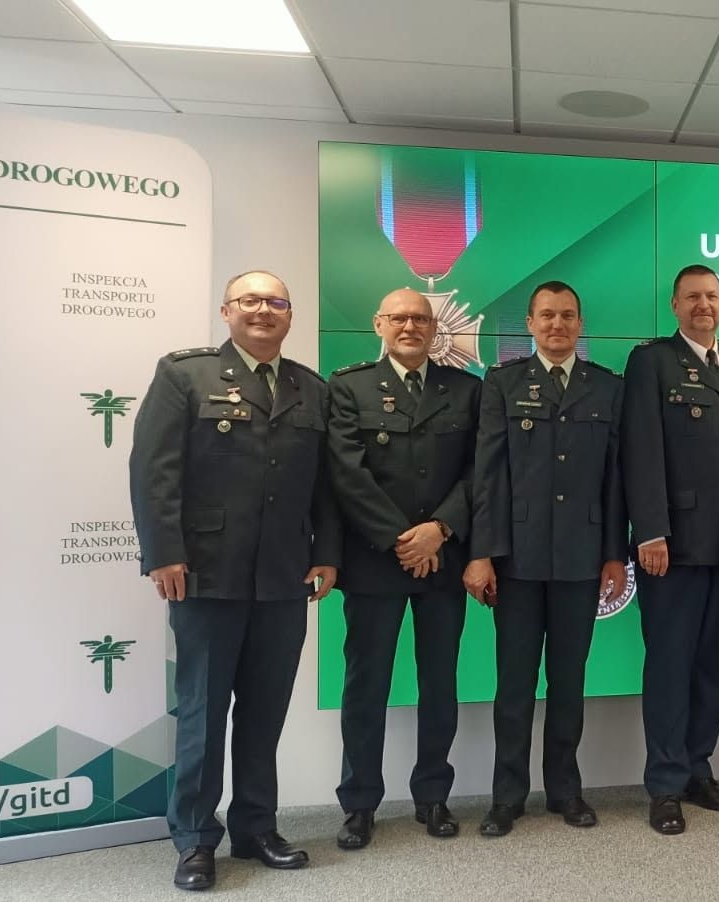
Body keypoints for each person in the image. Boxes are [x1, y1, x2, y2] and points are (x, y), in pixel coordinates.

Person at [128, 270, 340, 891]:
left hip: (283, 574)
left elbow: (326, 484)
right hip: (205, 571)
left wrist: (327, 554)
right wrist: (164, 553)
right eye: (250, 300)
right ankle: (195, 839)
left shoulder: (310, 388)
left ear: (290, 315)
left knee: (264, 711)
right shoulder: (184, 375)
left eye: (276, 302)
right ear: (227, 310)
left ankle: (255, 828)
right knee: (203, 709)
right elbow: (153, 470)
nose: (263, 310)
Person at [465, 280, 627, 836]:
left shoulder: (606, 386)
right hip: (517, 559)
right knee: (514, 685)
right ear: (530, 324)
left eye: (568, 316)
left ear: (580, 325)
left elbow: (615, 479)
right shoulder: (502, 383)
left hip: (582, 558)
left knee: (568, 682)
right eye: (547, 315)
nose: (558, 325)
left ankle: (565, 791)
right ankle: (506, 797)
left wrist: (615, 554)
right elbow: (487, 475)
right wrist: (482, 553)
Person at [326, 287, 481, 850]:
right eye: (399, 318)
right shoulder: (349, 387)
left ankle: (433, 796)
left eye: (420, 318)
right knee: (366, 686)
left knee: (439, 682)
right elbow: (347, 472)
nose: (410, 326)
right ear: (379, 324)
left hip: (443, 557)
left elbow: (480, 469)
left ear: (434, 327)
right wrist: (402, 539)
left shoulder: (466, 390)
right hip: (376, 561)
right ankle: (359, 803)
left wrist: (440, 528)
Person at [621, 264, 719, 835]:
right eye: (692, 297)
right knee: (669, 664)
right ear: (675, 306)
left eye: (711, 296)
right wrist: (650, 530)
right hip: (673, 545)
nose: (703, 305)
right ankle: (664, 783)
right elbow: (640, 449)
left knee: (713, 663)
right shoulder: (652, 362)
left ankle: (696, 768)